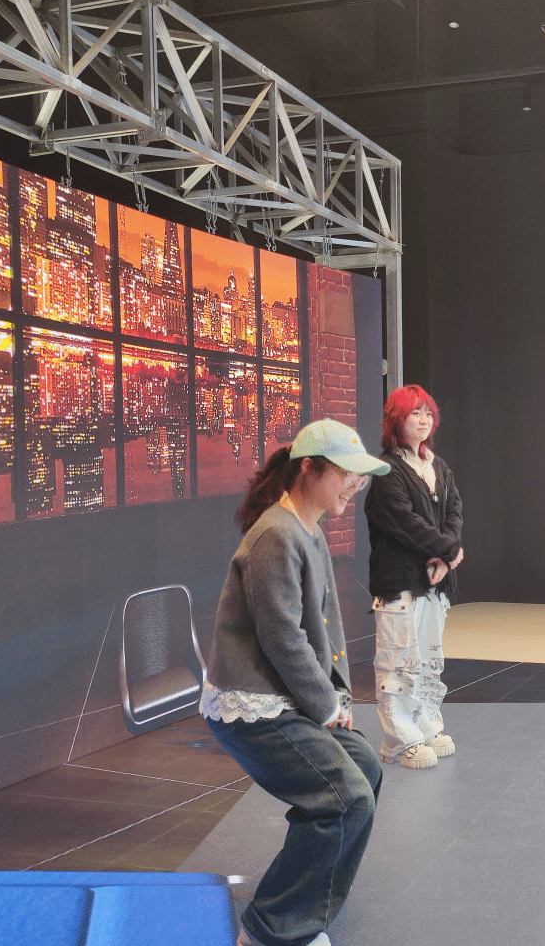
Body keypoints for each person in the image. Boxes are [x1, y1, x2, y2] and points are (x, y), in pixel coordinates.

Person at [201, 418, 390, 946]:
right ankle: (270, 931)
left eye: (359, 476)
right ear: (309, 469)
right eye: (346, 474)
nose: (355, 485)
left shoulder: (308, 530)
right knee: (343, 799)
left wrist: (335, 700)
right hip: (253, 704)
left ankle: (308, 911)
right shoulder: (276, 534)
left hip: (285, 694)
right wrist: (326, 707)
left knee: (365, 769)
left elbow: (321, 628)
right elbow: (283, 637)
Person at [364, 385, 464, 770]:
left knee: (428, 662)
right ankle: (399, 740)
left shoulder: (438, 466)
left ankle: (426, 727)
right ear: (396, 420)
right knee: (398, 663)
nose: (423, 420)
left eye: (427, 413)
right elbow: (405, 523)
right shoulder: (387, 470)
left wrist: (447, 557)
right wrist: (449, 551)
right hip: (400, 581)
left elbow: (454, 511)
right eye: (414, 413)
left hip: (434, 583)